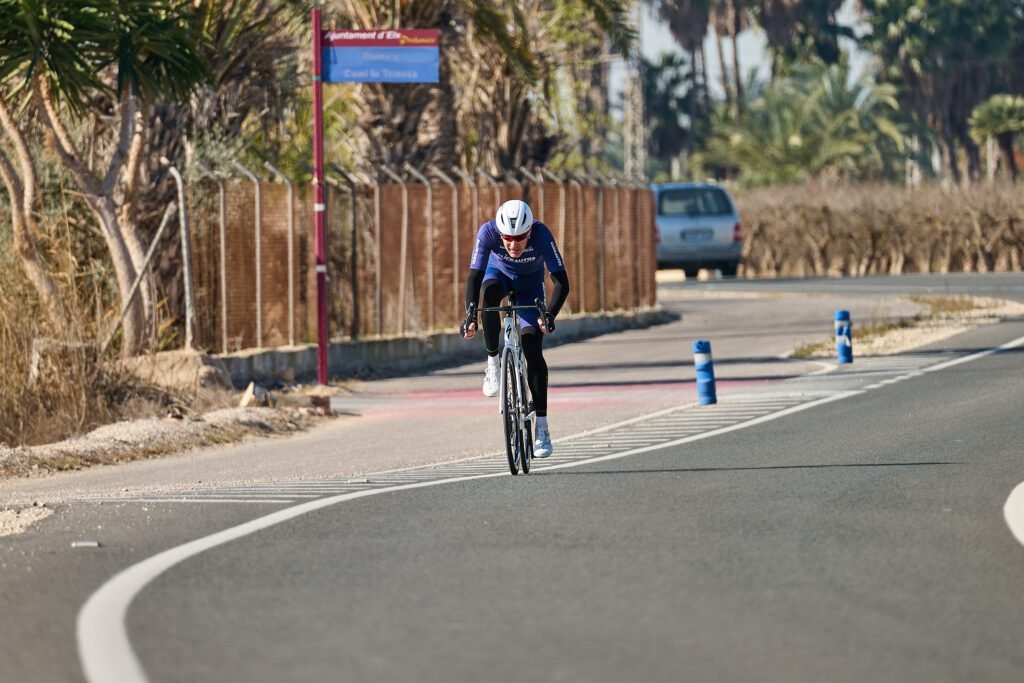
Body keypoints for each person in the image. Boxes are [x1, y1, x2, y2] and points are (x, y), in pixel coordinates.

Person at [460, 199, 570, 458]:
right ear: (500, 233)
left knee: (532, 348)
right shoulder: (487, 232)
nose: (513, 244)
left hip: (531, 285)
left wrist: (549, 315)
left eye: (520, 238)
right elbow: (474, 276)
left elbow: (562, 283)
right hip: (496, 277)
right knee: (489, 300)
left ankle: (542, 428)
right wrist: (470, 315)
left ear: (529, 231)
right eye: (508, 238)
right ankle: (493, 364)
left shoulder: (542, 234)